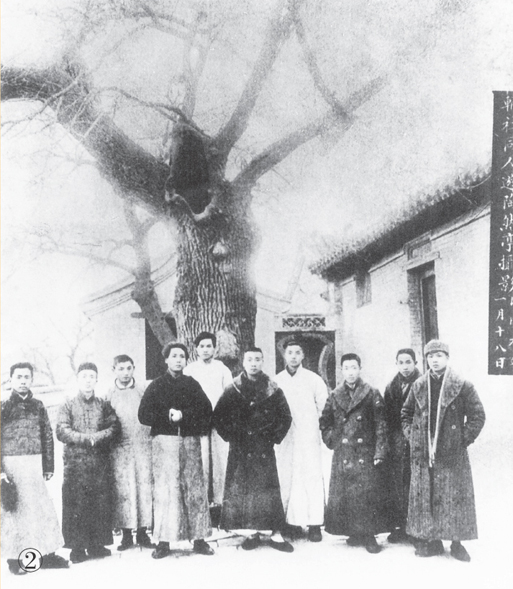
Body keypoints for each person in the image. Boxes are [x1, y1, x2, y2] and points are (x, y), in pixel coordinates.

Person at [401, 340, 485, 562]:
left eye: (439, 355)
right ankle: (433, 540)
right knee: (428, 496)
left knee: (454, 497)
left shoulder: (462, 385)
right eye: (430, 356)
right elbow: (406, 413)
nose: (434, 360)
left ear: (447, 358)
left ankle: (456, 543)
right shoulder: (419, 385)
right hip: (424, 452)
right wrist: (412, 436)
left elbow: (477, 415)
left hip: (451, 452)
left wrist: (461, 439)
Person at [213, 347, 294, 553]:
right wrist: (232, 435)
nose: (253, 363)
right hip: (241, 448)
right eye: (249, 360)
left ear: (262, 361)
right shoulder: (233, 388)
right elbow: (218, 416)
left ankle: (275, 533)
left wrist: (273, 437)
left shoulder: (273, 388)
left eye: (257, 359)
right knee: (246, 491)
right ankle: (253, 533)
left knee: (268, 489)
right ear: (243, 362)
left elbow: (285, 417)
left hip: (263, 447)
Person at [138, 342, 214, 559]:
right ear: (166, 360)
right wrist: (167, 416)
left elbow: (206, 410)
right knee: (166, 491)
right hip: (164, 444)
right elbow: (143, 414)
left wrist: (185, 415)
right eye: (174, 356)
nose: (178, 360)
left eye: (182, 356)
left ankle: (199, 540)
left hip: (190, 441)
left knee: (194, 489)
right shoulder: (156, 385)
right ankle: (164, 542)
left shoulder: (192, 384)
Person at [1, 362, 69, 575]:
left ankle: (47, 554)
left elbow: (47, 435)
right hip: (12, 465)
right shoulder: (3, 406)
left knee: (41, 509)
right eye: (18, 377)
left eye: (26, 377)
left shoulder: (38, 405)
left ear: (31, 380)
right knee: (14, 512)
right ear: (11, 380)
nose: (23, 381)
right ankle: (14, 559)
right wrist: (1, 472)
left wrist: (48, 465)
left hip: (35, 464)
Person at [319, 353, 387, 554]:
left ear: (360, 369)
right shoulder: (334, 395)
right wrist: (333, 440)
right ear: (342, 370)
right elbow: (325, 422)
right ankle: (354, 532)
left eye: (354, 368)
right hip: (344, 452)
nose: (350, 372)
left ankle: (369, 535)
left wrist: (380, 452)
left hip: (365, 451)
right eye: (346, 368)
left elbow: (381, 424)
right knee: (347, 495)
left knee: (366, 495)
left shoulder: (371, 393)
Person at [56, 362, 120, 564]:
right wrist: (86, 439)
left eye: (92, 376)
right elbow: (62, 430)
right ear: (77, 379)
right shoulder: (67, 405)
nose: (88, 380)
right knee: (77, 504)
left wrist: (97, 438)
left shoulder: (103, 404)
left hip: (99, 462)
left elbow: (114, 427)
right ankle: (77, 548)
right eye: (84, 376)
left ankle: (96, 545)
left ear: (97, 379)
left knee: (99, 503)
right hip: (75, 464)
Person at [274, 339, 329, 542]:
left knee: (311, 476)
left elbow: (324, 409)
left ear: (303, 355)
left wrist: (318, 430)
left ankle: (314, 524)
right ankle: (293, 523)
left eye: (298, 352)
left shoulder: (314, 380)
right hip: (285, 437)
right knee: (288, 477)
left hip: (308, 436)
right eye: (290, 352)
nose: (294, 356)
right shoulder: (276, 381)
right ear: (284, 355)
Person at [183, 331, 232, 525]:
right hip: (198, 422)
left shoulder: (222, 369)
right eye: (202, 346)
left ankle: (220, 506)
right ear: (196, 349)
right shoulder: (189, 370)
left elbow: (229, 395)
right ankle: (201, 507)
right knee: (201, 462)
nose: (205, 350)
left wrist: (222, 415)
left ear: (215, 348)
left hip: (219, 421)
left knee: (221, 462)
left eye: (209, 346)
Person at [105, 355, 153, 551]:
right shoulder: (108, 395)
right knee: (124, 490)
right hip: (119, 448)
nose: (125, 373)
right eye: (121, 369)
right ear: (114, 370)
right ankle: (126, 535)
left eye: (128, 368)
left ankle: (143, 532)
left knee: (144, 487)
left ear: (133, 368)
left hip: (143, 445)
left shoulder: (143, 390)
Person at [383, 348, 421, 543]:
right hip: (397, 441)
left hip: (418, 439)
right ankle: (399, 526)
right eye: (401, 362)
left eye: (408, 362)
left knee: (416, 483)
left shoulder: (423, 383)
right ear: (396, 364)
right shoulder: (391, 387)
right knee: (398, 484)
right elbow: (387, 417)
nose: (405, 366)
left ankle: (417, 528)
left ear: (415, 363)